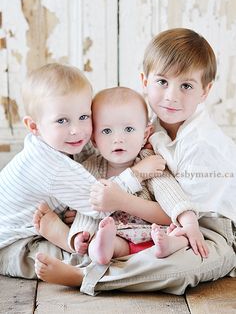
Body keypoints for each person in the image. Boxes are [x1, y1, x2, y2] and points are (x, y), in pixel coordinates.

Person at [35, 29, 235, 295]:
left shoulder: (202, 146)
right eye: (162, 82)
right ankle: (84, 250)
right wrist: (88, 203)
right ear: (145, 81)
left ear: (205, 91)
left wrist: (118, 200)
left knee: (188, 264)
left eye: (186, 86)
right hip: (154, 224)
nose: (171, 96)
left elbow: (176, 210)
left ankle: (86, 276)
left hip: (207, 225)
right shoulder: (147, 125)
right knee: (109, 237)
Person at [0, 63, 164, 279]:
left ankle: (65, 234)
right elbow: (101, 202)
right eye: (62, 120)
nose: (76, 129)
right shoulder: (49, 165)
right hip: (16, 246)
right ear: (34, 126)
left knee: (98, 240)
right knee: (100, 252)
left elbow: (95, 162)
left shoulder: (65, 141)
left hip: (35, 227)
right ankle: (65, 246)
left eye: (84, 117)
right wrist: (137, 173)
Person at [34, 87, 207, 270]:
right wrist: (79, 235)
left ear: (145, 134)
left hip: (154, 231)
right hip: (118, 236)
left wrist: (189, 222)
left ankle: (167, 246)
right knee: (97, 244)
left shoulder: (150, 163)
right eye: (107, 131)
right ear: (94, 139)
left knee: (179, 236)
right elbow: (88, 209)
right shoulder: (90, 168)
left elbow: (171, 195)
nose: (118, 139)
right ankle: (102, 250)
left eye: (129, 129)